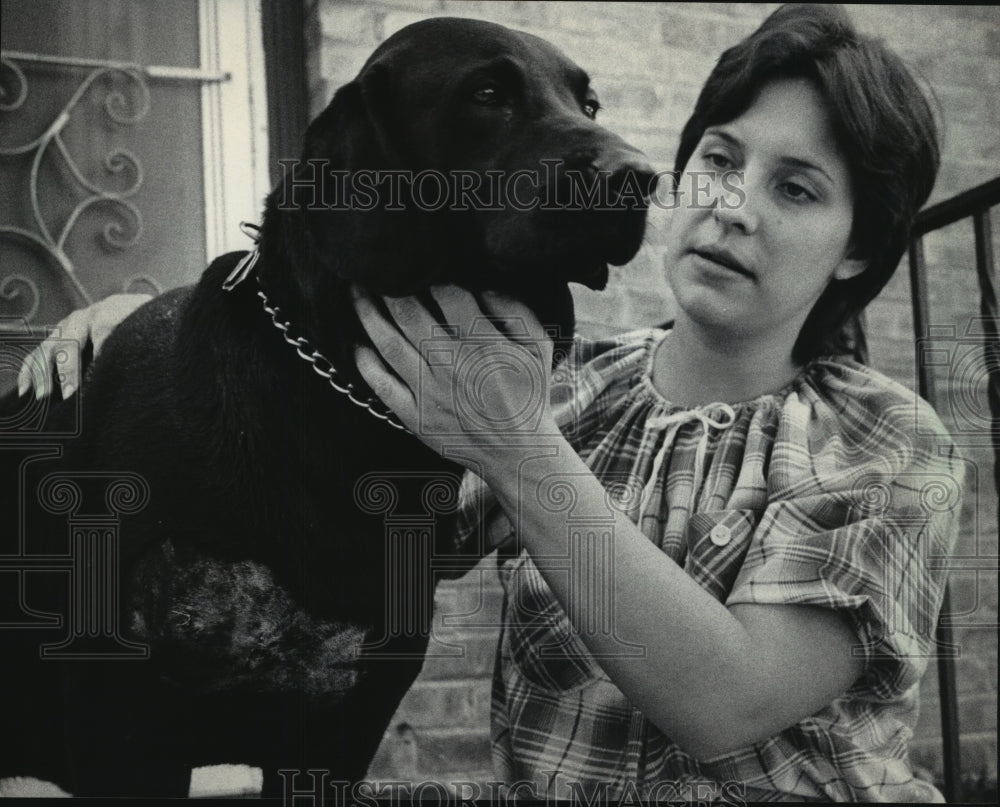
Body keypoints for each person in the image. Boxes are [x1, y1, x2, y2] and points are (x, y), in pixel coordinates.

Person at [17, 5, 963, 802]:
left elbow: (731, 701)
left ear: (859, 247)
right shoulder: (571, 385)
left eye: (795, 188)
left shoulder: (889, 444)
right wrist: (165, 328)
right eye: (719, 159)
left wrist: (519, 449)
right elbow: (329, 499)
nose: (733, 206)